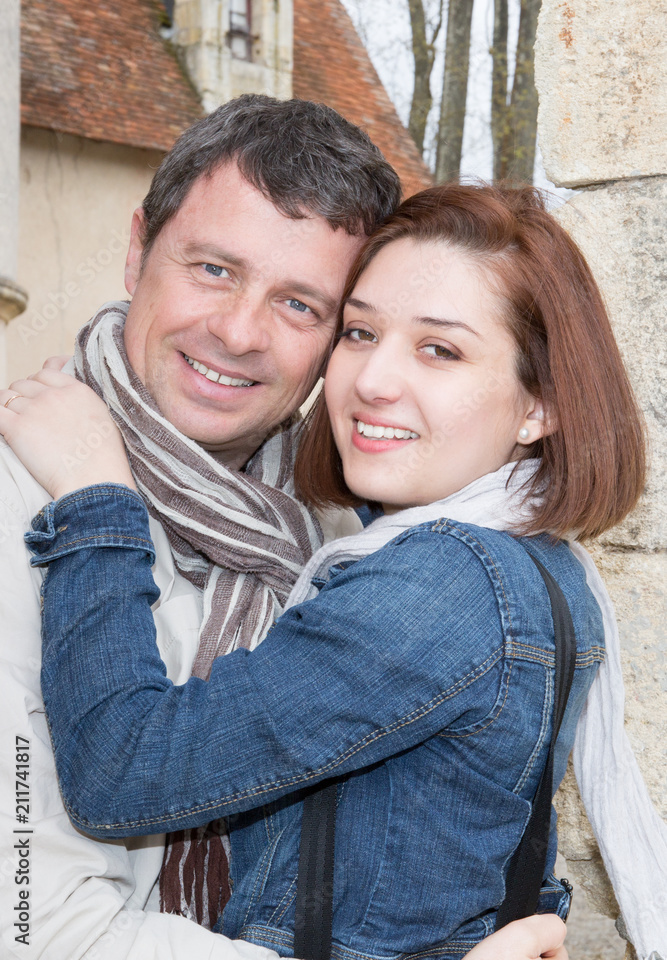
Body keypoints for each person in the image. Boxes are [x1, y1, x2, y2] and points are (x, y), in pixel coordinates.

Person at [0, 185, 651, 955]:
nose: (372, 380)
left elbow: (125, 770)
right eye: (359, 331)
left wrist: (97, 498)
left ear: (539, 405)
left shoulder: (440, 586)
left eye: (439, 349)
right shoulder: (523, 561)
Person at [0, 94, 398, 960]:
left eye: (300, 305)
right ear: (139, 249)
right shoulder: (15, 507)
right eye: (213, 269)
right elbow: (37, 929)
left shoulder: (332, 534)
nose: (238, 332)